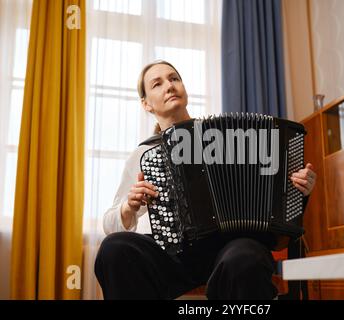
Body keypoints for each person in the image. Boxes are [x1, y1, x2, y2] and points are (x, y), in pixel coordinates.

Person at [94, 60, 317, 300]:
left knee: (246, 258)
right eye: (157, 84)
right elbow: (109, 224)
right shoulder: (143, 155)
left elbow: (272, 197)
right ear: (146, 104)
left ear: (184, 89)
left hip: (228, 249)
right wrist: (129, 207)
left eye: (174, 79)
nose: (169, 86)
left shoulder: (229, 137)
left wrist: (299, 188)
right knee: (114, 248)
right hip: (172, 255)